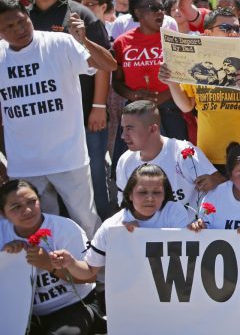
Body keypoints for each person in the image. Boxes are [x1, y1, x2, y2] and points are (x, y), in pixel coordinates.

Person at [0, 0, 116, 238]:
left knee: (85, 221)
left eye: (22, 21)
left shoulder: (59, 43)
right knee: (37, 228)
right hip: (25, 164)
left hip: (69, 157)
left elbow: (109, 65)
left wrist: (84, 41)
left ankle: (98, 272)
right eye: (9, 26)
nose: (19, 29)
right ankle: (51, 274)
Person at [24, 0, 115, 221]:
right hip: (44, 121)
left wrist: (98, 107)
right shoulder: (22, 19)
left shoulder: (79, 14)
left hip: (86, 116)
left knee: (94, 179)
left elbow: (103, 63)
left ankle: (100, 243)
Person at [160, 8, 240, 168]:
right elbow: (186, 106)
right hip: (209, 155)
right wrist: (172, 83)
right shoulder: (196, 62)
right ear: (207, 33)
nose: (233, 33)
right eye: (226, 28)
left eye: (236, 28)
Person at [50, 165, 190, 284]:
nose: (150, 198)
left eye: (157, 192)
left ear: (165, 195)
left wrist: (140, 237)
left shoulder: (174, 211)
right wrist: (71, 263)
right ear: (129, 195)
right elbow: (90, 271)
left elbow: (188, 257)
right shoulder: (111, 226)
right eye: (142, 192)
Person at [1, 180, 103, 335]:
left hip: (73, 304)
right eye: (16, 207)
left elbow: (89, 277)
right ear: (3, 214)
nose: (27, 210)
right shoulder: (2, 234)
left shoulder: (65, 228)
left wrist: (50, 264)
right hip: (23, 314)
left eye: (32, 201)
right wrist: (5, 258)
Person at [111, 0, 188, 162]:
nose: (160, 12)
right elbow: (116, 82)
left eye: (161, 7)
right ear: (137, 13)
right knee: (134, 166)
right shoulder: (121, 43)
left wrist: (163, 96)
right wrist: (133, 95)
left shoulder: (174, 40)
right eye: (153, 9)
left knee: (176, 164)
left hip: (170, 111)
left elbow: (184, 78)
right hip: (136, 113)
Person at [114, 100, 223, 212]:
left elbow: (222, 185)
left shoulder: (184, 152)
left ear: (153, 129)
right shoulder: (125, 161)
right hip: (146, 229)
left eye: (129, 129)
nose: (123, 136)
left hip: (189, 228)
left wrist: (215, 181)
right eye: (123, 129)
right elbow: (124, 204)